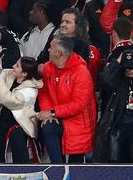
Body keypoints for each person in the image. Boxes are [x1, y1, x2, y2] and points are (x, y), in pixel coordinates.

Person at [36, 34, 96, 163]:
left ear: (59, 53)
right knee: (48, 127)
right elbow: (44, 92)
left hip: (77, 123)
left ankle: (74, 175)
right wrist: (48, 112)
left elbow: (78, 104)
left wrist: (53, 112)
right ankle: (57, 168)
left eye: (51, 48)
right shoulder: (48, 68)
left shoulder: (81, 72)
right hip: (57, 117)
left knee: (76, 163)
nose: (48, 50)